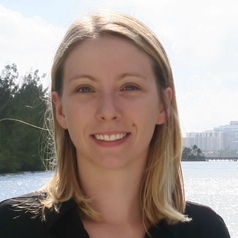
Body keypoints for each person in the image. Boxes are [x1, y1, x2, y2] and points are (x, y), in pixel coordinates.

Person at [0, 10, 230, 238]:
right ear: (60, 110)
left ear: (163, 105)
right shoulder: (11, 226)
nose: (108, 111)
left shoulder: (205, 230)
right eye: (85, 89)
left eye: (129, 87)